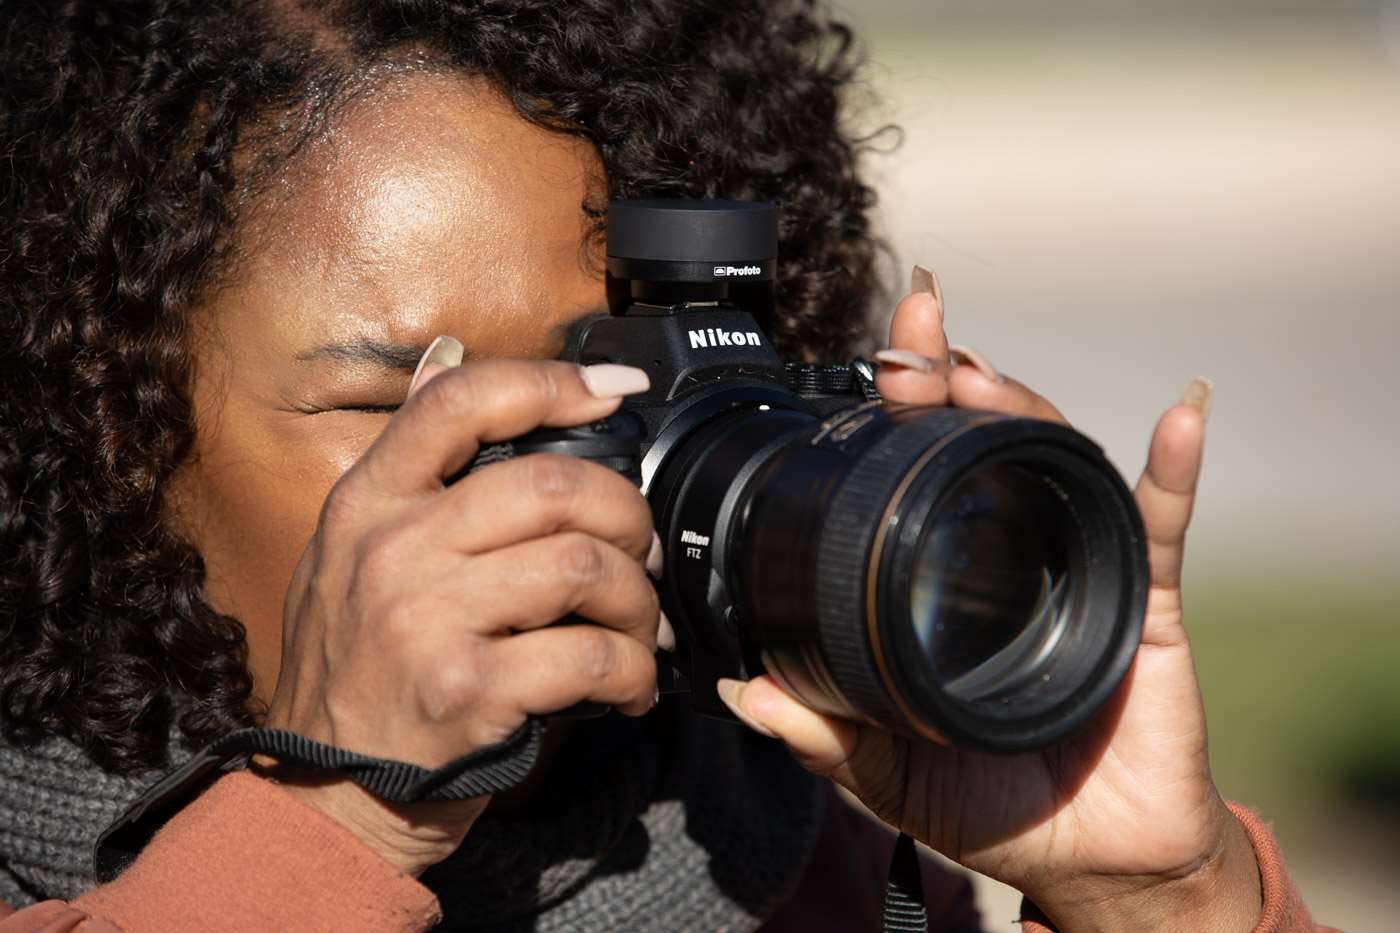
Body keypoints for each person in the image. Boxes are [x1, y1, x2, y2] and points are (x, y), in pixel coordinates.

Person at [0, 1, 1330, 930]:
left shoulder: (772, 845)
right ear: (107, 414)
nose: (544, 493)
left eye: (616, 394)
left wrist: (1160, 895)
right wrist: (337, 819)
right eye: (407, 403)